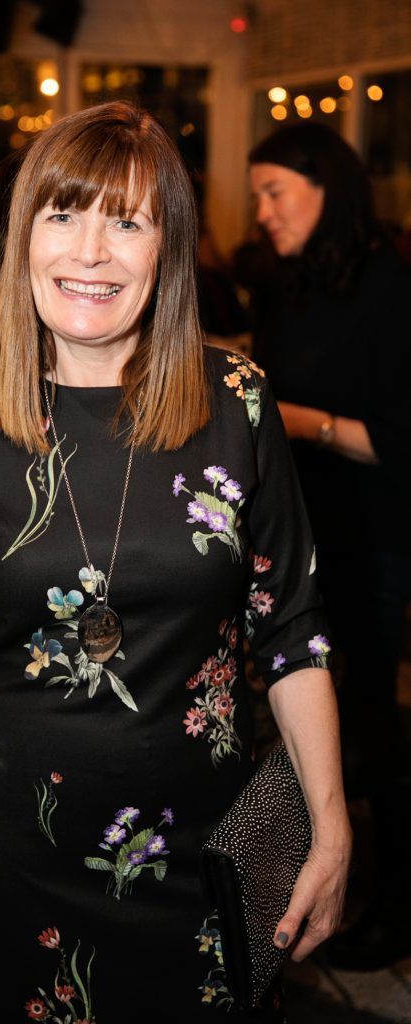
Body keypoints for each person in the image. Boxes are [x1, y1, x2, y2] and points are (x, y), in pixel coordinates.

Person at [0, 102, 350, 1021]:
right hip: (8, 865)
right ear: (24, 235)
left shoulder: (237, 403)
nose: (90, 252)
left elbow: (291, 630)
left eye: (128, 221)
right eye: (62, 214)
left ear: (168, 251)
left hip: (198, 866)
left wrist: (332, 824)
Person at [248, 122, 411, 971]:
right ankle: (339, 890)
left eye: (277, 192)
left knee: (372, 727)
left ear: (328, 188)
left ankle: (389, 907)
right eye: (258, 196)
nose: (264, 211)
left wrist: (296, 420)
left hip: (376, 539)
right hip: (311, 536)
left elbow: (400, 439)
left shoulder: (389, 284)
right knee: (331, 727)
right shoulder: (298, 281)